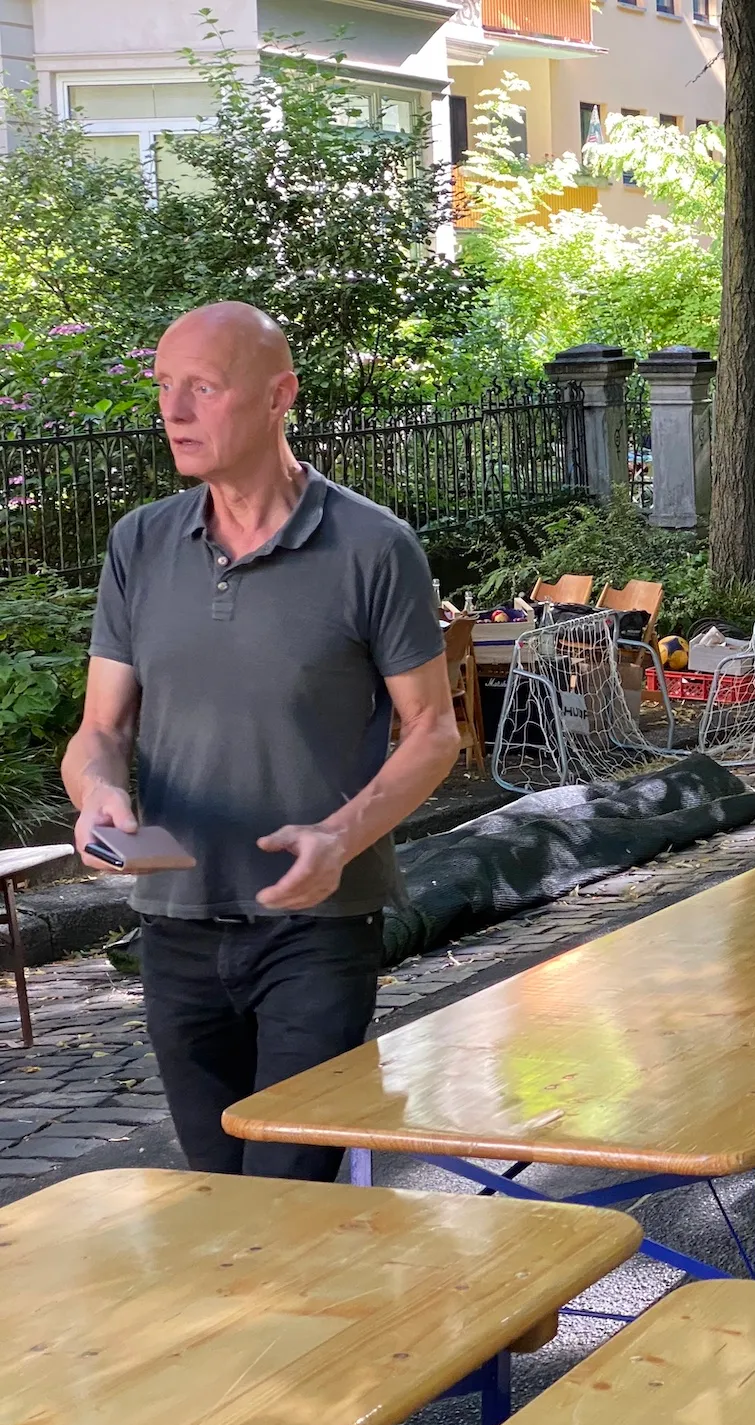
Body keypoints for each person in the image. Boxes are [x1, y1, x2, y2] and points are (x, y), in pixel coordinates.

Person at [62, 302, 459, 1183]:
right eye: (165, 387)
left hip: (316, 930)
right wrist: (99, 793)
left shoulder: (373, 545)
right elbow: (101, 730)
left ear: (280, 396)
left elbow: (433, 731)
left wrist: (339, 838)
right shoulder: (140, 543)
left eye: (203, 388)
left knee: (287, 1195)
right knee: (215, 1196)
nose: (174, 410)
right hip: (174, 922)